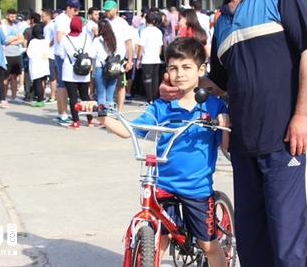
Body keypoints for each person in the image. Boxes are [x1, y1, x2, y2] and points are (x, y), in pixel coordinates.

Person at [160, 0, 307, 266]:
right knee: (252, 243)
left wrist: (303, 115)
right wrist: (181, 86)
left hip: (286, 142)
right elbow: (218, 83)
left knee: (289, 243)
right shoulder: (223, 22)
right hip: (243, 146)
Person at [81, 37, 230, 267]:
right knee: (160, 237)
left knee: (209, 245)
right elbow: (126, 130)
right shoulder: (161, 106)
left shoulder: (212, 105)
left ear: (201, 69)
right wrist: (101, 114)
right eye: (173, 68)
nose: (179, 74)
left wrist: (225, 122)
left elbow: (226, 145)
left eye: (186, 67)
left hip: (196, 186)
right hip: (163, 183)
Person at [59, 16, 94, 130]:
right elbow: (91, 53)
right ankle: (90, 120)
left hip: (70, 71)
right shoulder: (86, 37)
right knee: (85, 96)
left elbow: (61, 54)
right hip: (84, 71)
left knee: (73, 97)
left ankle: (76, 121)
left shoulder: (65, 38)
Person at [54, 0, 82, 125]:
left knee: (62, 84)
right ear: (68, 8)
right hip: (62, 55)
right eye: (75, 10)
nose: (76, 13)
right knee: (63, 84)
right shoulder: (62, 19)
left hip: (65, 54)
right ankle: (63, 113)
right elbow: (60, 38)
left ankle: (62, 113)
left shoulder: (66, 19)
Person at [102, 0, 133, 112]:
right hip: (105, 59)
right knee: (105, 86)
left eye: (109, 10)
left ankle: (120, 111)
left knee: (120, 86)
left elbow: (129, 43)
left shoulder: (123, 23)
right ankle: (106, 108)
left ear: (116, 10)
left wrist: (129, 61)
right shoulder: (104, 22)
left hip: (119, 60)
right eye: (105, 11)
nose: (107, 13)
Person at [137, 11, 164, 106]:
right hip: (156, 59)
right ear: (154, 20)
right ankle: (155, 98)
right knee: (155, 79)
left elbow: (141, 46)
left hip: (147, 59)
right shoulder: (158, 31)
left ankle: (149, 99)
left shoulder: (144, 31)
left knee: (147, 79)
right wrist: (158, 55)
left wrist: (138, 59)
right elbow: (160, 46)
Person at [92, 20, 118, 108]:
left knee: (100, 95)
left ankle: (102, 114)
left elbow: (92, 54)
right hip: (113, 67)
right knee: (110, 96)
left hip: (101, 67)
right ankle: (110, 113)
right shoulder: (113, 39)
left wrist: (94, 36)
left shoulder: (97, 40)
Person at [2, 9, 25, 103]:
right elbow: (4, 40)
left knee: (15, 76)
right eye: (11, 17)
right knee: (5, 77)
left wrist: (11, 41)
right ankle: (4, 96)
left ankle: (14, 96)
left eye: (14, 17)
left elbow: (22, 39)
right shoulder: (2, 27)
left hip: (16, 53)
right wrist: (15, 38)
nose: (13, 18)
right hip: (7, 54)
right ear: (7, 16)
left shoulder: (17, 27)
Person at [26, 24, 50, 107]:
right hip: (44, 63)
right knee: (43, 82)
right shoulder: (45, 41)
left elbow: (29, 54)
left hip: (36, 65)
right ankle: (42, 98)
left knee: (38, 83)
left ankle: (40, 100)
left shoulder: (33, 42)